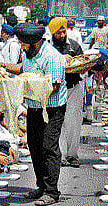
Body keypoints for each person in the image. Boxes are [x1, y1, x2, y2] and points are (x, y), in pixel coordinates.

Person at [0, 22, 67, 206]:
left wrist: (21, 90)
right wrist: (2, 66)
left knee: (49, 147)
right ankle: (41, 186)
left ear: (34, 42)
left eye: (23, 43)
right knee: (34, 146)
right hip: (34, 108)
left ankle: (52, 192)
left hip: (52, 109)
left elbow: (53, 87)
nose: (21, 46)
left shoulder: (52, 57)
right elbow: (23, 69)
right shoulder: (29, 54)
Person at [48, 17, 84, 168]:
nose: (62, 35)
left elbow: (82, 62)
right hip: (56, 89)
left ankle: (73, 155)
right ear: (52, 33)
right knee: (59, 122)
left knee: (74, 122)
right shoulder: (48, 48)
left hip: (74, 87)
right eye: (58, 33)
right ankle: (61, 156)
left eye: (63, 31)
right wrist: (61, 59)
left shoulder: (74, 46)